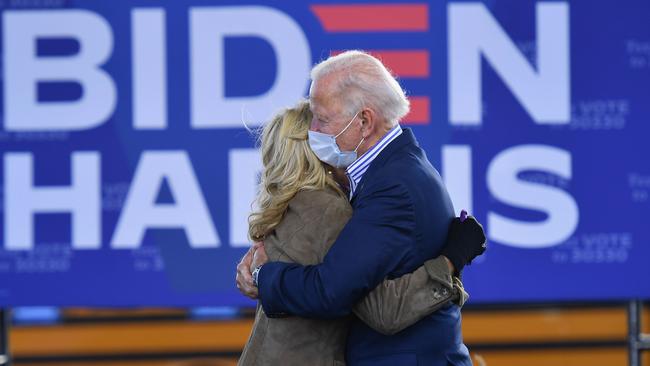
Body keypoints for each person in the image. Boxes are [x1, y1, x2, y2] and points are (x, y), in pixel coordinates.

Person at [238, 50, 486, 365]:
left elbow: (337, 292)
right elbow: (369, 303)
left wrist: (262, 276)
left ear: (364, 121)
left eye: (322, 118)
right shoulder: (373, 183)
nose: (313, 129)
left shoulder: (390, 185)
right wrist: (451, 262)